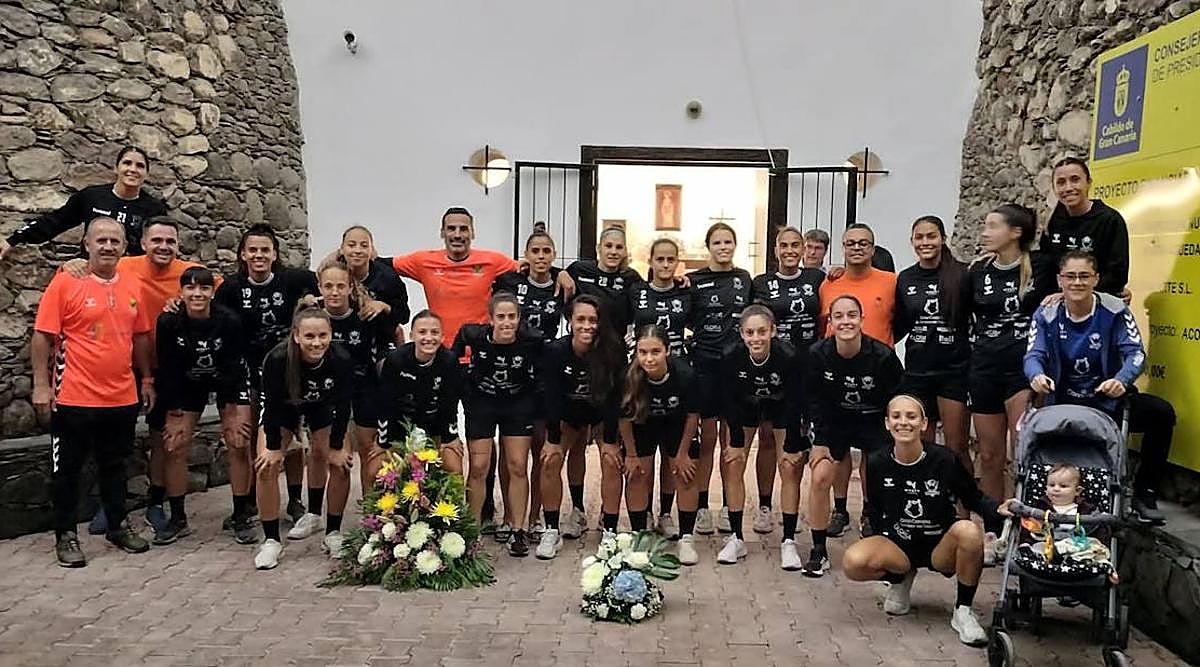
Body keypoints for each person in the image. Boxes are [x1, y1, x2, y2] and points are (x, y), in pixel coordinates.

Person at [61, 217, 219, 537]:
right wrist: (70, 264)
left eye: (170, 241)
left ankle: (155, 502)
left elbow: (227, 292)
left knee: (163, 438)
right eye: (157, 240)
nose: (164, 246)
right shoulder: (124, 266)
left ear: (178, 245)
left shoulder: (190, 273)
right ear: (143, 243)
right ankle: (111, 505)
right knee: (114, 441)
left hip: (172, 371)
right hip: (127, 367)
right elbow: (84, 271)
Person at [31, 217, 155, 567]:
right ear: (86, 244)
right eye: (101, 240)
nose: (108, 246)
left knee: (114, 467)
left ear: (124, 247)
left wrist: (147, 379)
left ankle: (117, 526)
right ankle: (66, 535)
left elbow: (141, 337)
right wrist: (41, 385)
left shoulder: (132, 284)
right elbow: (42, 336)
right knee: (67, 471)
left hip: (121, 398)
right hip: (73, 397)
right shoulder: (66, 281)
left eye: (115, 241)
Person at [1024, 250, 1169, 524]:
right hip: (1063, 401)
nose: (1077, 282)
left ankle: (1145, 493)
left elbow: (1136, 354)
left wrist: (1121, 380)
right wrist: (1037, 375)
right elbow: (1034, 354)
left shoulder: (1115, 310)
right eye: (1070, 276)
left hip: (1107, 398)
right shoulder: (1047, 313)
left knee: (1161, 414)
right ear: (1060, 280)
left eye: (1084, 276)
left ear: (1096, 279)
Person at [841, 394, 994, 647]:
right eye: (896, 416)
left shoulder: (944, 459)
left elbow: (973, 498)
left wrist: (999, 512)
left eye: (911, 417)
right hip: (900, 546)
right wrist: (883, 550)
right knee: (853, 562)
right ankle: (900, 579)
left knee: (969, 531)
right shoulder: (877, 461)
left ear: (923, 424)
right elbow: (876, 509)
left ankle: (963, 611)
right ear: (887, 423)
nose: (904, 422)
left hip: (939, 546)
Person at [215, 225, 319, 531]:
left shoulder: (293, 280)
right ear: (243, 254)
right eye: (253, 250)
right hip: (249, 370)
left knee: (293, 437)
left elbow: (326, 282)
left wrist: (311, 298)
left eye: (265, 250)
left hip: (288, 369)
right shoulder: (230, 289)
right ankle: (247, 500)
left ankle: (295, 500)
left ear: (275, 254)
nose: (259, 255)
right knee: (250, 436)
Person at [290, 261, 396, 553]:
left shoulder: (366, 315)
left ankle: (371, 514)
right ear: (319, 288)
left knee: (368, 451)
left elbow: (390, 342)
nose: (334, 292)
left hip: (364, 390)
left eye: (340, 286)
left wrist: (385, 307)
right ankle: (314, 514)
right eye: (328, 286)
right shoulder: (312, 318)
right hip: (325, 394)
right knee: (321, 452)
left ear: (351, 287)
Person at [803, 294, 903, 577]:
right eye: (838, 316)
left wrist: (895, 431)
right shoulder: (818, 354)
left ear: (862, 319)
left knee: (880, 472)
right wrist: (819, 440)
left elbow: (899, 396)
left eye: (851, 315)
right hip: (834, 423)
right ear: (830, 322)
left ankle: (876, 525)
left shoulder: (882, 356)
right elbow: (812, 399)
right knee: (820, 475)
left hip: (873, 420)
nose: (845, 321)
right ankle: (818, 550)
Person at [155, 267, 252, 544]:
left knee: (239, 441)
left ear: (212, 292)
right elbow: (167, 367)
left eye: (204, 288)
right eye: (191, 288)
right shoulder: (168, 321)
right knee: (174, 443)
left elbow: (235, 365)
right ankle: (178, 518)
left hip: (226, 380)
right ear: (181, 292)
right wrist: (173, 408)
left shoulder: (228, 320)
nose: (197, 294)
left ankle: (240, 514)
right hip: (186, 383)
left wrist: (232, 410)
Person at [253, 307, 354, 570]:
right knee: (265, 465)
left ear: (331, 334)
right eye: (309, 336)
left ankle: (332, 532)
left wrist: (336, 447)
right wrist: (274, 448)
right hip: (283, 409)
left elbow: (343, 406)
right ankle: (271, 541)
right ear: (296, 336)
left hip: (322, 407)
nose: (316, 342)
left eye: (322, 335)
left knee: (341, 463)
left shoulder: (341, 359)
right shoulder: (277, 359)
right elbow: (271, 406)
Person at [388, 207, 573, 348]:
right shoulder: (422, 261)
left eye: (463, 229)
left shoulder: (493, 261)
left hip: (481, 351)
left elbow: (533, 266)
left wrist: (561, 273)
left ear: (472, 232)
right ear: (442, 232)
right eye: (451, 229)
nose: (457, 235)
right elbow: (382, 265)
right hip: (439, 351)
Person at [968, 204, 1041, 560]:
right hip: (984, 368)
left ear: (1015, 232)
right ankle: (993, 530)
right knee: (990, 455)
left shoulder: (1039, 267)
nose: (984, 232)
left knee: (1022, 452)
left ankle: (1026, 530)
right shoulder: (978, 270)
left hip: (1021, 371)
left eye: (993, 226)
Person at [818, 223, 898, 539]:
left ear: (873, 249)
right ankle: (839, 509)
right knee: (838, 452)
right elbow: (822, 324)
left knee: (872, 453)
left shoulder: (891, 282)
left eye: (863, 243)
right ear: (843, 247)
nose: (856, 248)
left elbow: (902, 319)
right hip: (837, 377)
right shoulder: (829, 284)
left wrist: (881, 346)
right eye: (850, 243)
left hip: (875, 375)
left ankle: (869, 510)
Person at [561, 228, 640, 536]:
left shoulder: (631, 279)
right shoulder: (579, 270)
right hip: (579, 360)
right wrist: (555, 273)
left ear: (625, 251)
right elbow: (552, 276)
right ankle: (578, 509)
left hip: (612, 365)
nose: (613, 251)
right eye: (608, 245)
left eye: (619, 247)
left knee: (610, 445)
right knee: (576, 444)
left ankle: (610, 519)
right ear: (598, 248)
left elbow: (649, 299)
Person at [454, 292, 543, 557]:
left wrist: (535, 396)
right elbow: (453, 354)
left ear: (519, 319)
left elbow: (543, 371)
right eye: (501, 317)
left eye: (512, 317)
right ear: (491, 319)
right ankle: (472, 531)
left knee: (517, 465)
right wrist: (464, 381)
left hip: (517, 404)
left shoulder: (532, 340)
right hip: (482, 403)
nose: (506, 322)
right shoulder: (473, 335)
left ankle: (518, 530)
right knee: (479, 466)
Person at [537, 295, 626, 559]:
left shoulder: (613, 350)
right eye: (581, 320)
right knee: (550, 460)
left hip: (600, 414)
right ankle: (551, 529)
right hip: (568, 414)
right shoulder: (555, 351)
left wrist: (610, 439)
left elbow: (614, 398)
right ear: (570, 321)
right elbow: (551, 397)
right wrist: (553, 438)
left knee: (611, 460)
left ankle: (609, 530)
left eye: (593, 320)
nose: (587, 326)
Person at [751, 227, 825, 536]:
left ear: (804, 249)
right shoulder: (761, 283)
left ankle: (793, 505)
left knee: (799, 440)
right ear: (776, 250)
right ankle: (765, 506)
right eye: (784, 245)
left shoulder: (817, 279)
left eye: (796, 245)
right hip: (775, 370)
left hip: (807, 369)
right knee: (768, 438)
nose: (790, 250)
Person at [493, 231, 566, 534]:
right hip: (513, 374)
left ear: (554, 255)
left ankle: (534, 517)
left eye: (546, 251)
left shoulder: (563, 286)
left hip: (544, 376)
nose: (540, 256)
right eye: (535, 251)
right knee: (511, 451)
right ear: (526, 254)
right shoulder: (511, 282)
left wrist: (562, 273)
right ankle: (510, 517)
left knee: (539, 451)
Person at [718, 306, 802, 566]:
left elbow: (795, 402)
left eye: (762, 332)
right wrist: (735, 443)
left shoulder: (789, 356)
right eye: (750, 332)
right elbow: (729, 402)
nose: (756, 338)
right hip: (746, 406)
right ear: (742, 334)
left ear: (773, 331)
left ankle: (789, 541)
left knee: (789, 466)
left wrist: (792, 444)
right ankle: (736, 538)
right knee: (734, 463)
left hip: (780, 406)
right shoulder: (731, 356)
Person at [688, 222, 752, 536]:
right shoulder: (693, 281)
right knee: (707, 440)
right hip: (704, 366)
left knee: (732, 440)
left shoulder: (745, 279)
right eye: (717, 242)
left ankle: (729, 506)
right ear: (708, 246)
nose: (723, 247)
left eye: (728, 242)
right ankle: (701, 506)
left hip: (735, 369)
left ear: (735, 245)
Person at [894, 216, 972, 472]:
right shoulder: (905, 278)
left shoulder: (962, 274)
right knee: (920, 446)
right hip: (917, 372)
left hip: (954, 371)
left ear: (943, 239)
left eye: (931, 236)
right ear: (912, 241)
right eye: (919, 237)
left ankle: (962, 497)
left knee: (956, 447)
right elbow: (898, 324)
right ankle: (928, 496)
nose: (925, 242)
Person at [620, 326, 702, 564]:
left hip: (677, 425)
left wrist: (683, 454)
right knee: (635, 474)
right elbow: (624, 418)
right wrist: (631, 455)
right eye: (643, 352)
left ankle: (686, 538)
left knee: (686, 473)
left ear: (668, 350)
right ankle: (639, 536)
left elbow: (692, 416)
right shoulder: (629, 376)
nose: (649, 358)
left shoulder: (685, 374)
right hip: (643, 424)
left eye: (655, 352)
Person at [628, 237, 692, 538]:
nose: (665, 265)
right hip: (643, 373)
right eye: (660, 259)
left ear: (677, 262)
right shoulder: (636, 291)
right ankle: (643, 515)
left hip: (674, 374)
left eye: (670, 259)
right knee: (643, 452)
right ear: (650, 261)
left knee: (670, 455)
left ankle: (666, 513)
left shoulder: (686, 291)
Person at [1, 146, 166, 259]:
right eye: (127, 163)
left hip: (133, 278)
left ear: (146, 174)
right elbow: (56, 221)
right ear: (116, 168)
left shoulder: (154, 209)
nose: (133, 169)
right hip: (92, 274)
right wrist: (13, 240)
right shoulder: (92, 196)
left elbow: (161, 245)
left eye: (140, 166)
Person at [376, 310, 463, 477]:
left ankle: (445, 495)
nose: (428, 338)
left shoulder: (449, 361)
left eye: (434, 332)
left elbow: (450, 405)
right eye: (422, 332)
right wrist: (383, 441)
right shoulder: (395, 360)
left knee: (454, 468)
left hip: (434, 426)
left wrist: (450, 438)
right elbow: (385, 404)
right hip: (400, 426)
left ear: (442, 337)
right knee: (376, 470)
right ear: (412, 336)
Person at [1033, 157, 1130, 302]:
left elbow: (1117, 273)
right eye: (1061, 182)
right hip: (1059, 305)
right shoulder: (1053, 220)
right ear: (1053, 188)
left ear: (1089, 183)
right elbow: (1045, 266)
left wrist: (1073, 294)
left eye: (1075, 180)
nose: (1068, 188)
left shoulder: (1109, 220)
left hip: (1098, 305)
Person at [335, 226, 410, 341]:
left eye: (364, 246)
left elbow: (404, 316)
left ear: (372, 251)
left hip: (379, 338)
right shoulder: (333, 273)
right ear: (342, 249)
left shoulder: (388, 278)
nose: (358, 250)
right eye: (351, 245)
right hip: (339, 337)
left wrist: (383, 306)